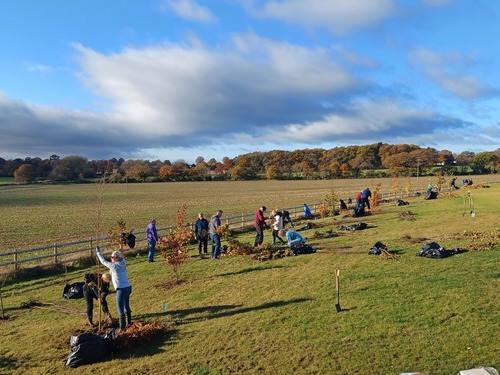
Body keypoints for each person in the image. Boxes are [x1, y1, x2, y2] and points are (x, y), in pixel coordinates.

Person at [96, 247, 132, 331]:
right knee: (126, 305)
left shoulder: (114, 266)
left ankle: (122, 328)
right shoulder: (123, 263)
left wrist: (98, 253)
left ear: (116, 258)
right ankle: (129, 322)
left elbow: (103, 262)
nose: (111, 258)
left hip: (121, 290)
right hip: (128, 288)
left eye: (112, 257)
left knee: (120, 308)